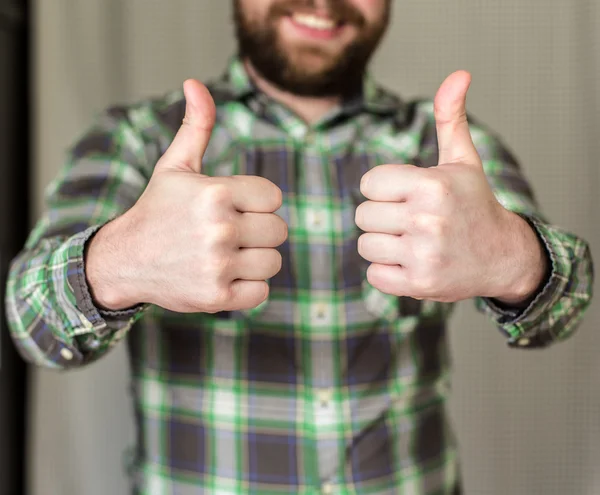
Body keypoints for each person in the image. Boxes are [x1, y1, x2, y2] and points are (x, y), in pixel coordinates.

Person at [5, 0, 594, 493]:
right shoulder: (138, 138)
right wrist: (121, 263)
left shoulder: (443, 145)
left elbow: (565, 311)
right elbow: (31, 324)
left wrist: (514, 258)